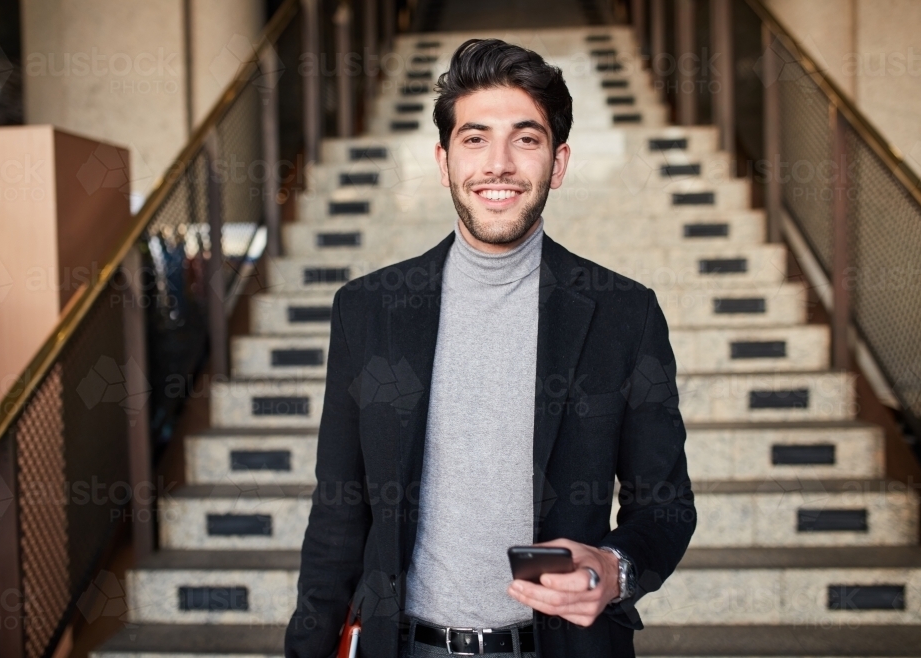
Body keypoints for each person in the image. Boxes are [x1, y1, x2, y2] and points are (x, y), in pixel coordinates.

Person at [284, 38, 696, 658]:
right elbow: (338, 516)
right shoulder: (369, 311)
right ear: (444, 158)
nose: (498, 164)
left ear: (557, 163)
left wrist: (614, 569)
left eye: (525, 139)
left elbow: (666, 506)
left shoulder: (624, 314)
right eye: (474, 138)